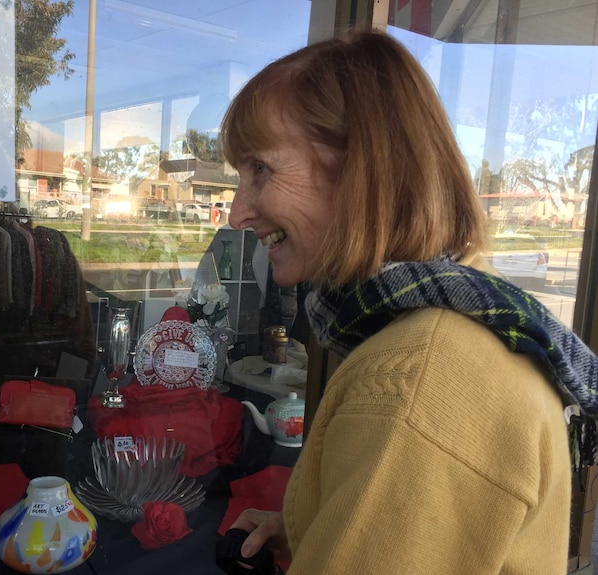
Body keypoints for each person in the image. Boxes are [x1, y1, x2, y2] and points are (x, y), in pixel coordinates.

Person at [223, 29, 597, 574]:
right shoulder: (460, 314)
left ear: (362, 171)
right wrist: (313, 529)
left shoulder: (418, 381)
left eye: (261, 169)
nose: (238, 213)